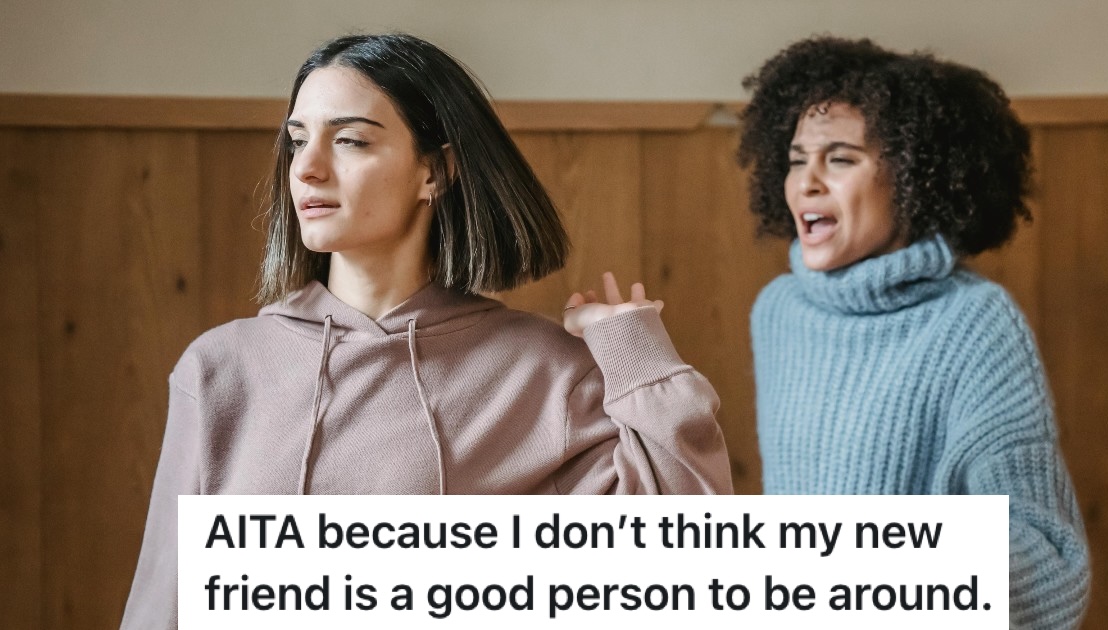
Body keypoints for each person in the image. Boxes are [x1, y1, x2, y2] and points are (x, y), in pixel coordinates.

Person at [121, 32, 732, 629]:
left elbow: (688, 563)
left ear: (434, 172)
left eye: (351, 141)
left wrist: (634, 352)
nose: (306, 169)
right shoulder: (222, 369)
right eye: (296, 141)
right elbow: (161, 603)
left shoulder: (545, 374)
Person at [738, 36, 1089, 627]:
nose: (807, 183)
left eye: (841, 159)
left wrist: (867, 573)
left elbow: (1052, 565)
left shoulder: (976, 324)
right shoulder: (778, 311)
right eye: (798, 159)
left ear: (918, 178)